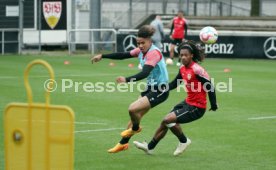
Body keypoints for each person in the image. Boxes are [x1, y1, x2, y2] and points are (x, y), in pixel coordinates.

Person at [91, 25, 169, 153]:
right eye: (138, 43)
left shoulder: (153, 53)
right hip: (150, 88)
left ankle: (136, 128)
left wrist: (127, 80)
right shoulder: (140, 51)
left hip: (161, 90)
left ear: (150, 41)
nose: (140, 46)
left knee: (133, 109)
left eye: (143, 43)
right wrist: (102, 56)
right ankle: (123, 144)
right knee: (134, 116)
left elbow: (144, 73)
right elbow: (123, 55)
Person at [133, 40, 218, 156]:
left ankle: (184, 141)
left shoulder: (197, 69)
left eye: (185, 55)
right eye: (181, 55)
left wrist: (213, 105)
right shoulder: (183, 68)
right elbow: (175, 84)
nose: (183, 57)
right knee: (165, 122)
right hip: (188, 102)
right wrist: (162, 88)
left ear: (191, 55)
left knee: (168, 120)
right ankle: (149, 147)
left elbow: (210, 87)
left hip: (197, 107)